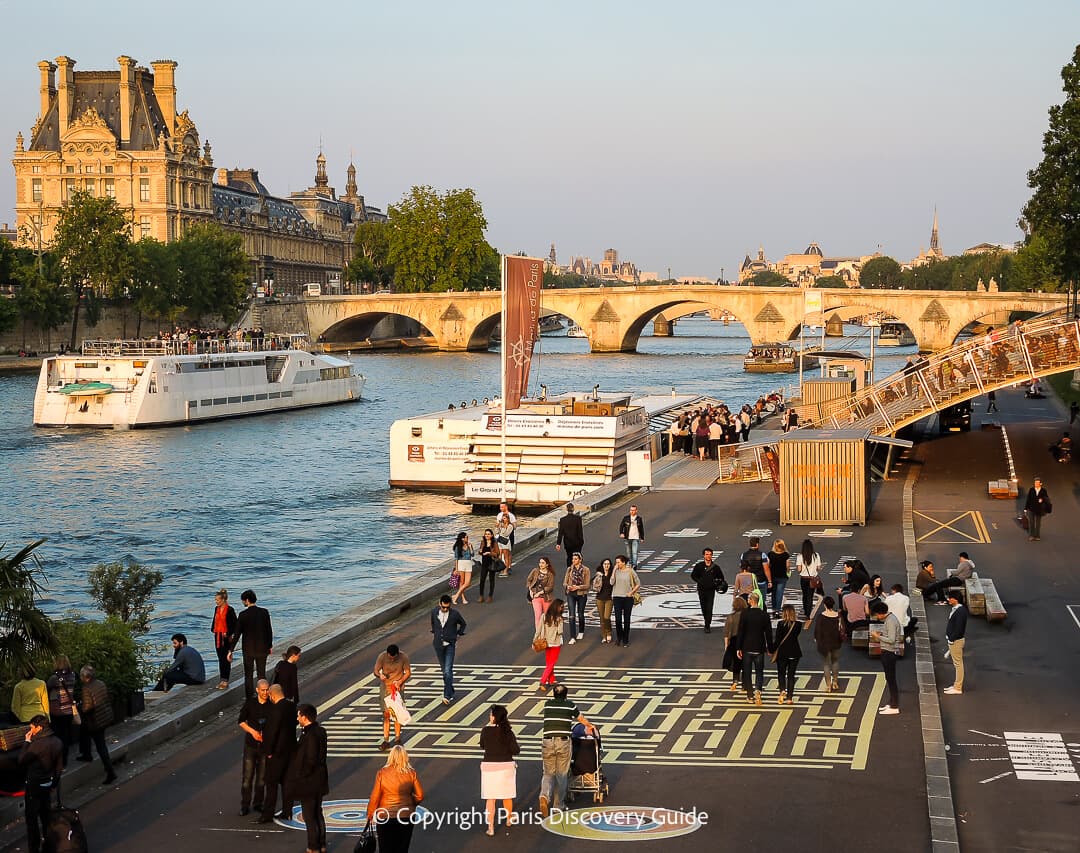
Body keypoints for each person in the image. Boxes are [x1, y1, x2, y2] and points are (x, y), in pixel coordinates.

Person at [539, 684, 595, 818]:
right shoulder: (570, 705)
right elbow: (580, 719)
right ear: (566, 695)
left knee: (548, 773)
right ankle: (558, 805)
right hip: (563, 742)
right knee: (561, 774)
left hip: (547, 741)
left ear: (553, 694)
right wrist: (590, 725)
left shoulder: (547, 704)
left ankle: (544, 796)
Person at [367, 744, 423, 853]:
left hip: (385, 815)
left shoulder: (382, 773)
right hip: (406, 815)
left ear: (390, 757)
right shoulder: (411, 773)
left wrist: (370, 813)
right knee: (402, 848)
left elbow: (375, 796)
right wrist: (411, 803)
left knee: (385, 848)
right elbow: (420, 795)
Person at [289, 703, 329, 853]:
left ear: (304, 717)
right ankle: (322, 843)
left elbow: (311, 759)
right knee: (317, 813)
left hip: (310, 782)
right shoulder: (320, 731)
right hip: (319, 780)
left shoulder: (310, 735)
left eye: (299, 715)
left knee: (310, 816)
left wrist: (301, 775)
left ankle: (313, 846)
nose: (297, 718)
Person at [19, 714, 62, 853]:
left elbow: (21, 760)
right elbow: (59, 768)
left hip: (34, 785)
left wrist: (27, 741)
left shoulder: (36, 745)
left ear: (39, 727)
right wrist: (53, 784)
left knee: (32, 819)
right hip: (47, 784)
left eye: (32, 728)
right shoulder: (57, 741)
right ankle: (49, 845)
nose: (31, 731)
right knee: (46, 816)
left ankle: (34, 848)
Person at [256, 684, 297, 823]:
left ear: (272, 695)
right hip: (290, 750)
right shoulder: (292, 707)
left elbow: (272, 732)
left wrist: (268, 751)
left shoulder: (275, 710)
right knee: (287, 782)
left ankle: (267, 814)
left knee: (271, 782)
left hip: (277, 752)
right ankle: (287, 811)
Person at [480, 704, 520, 836]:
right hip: (506, 767)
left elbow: (482, 745)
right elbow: (516, 750)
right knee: (506, 796)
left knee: (490, 798)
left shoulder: (485, 730)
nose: (489, 716)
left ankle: (490, 827)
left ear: (494, 717)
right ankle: (509, 819)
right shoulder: (508, 732)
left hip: (488, 768)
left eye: (491, 714)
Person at [76, 665, 116, 784]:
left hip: (95, 720)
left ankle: (110, 772)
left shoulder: (86, 689)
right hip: (104, 716)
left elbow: (87, 707)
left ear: (85, 677)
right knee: (85, 733)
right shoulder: (100, 683)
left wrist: (80, 707)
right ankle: (86, 754)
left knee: (100, 746)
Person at [230, 589, 273, 699]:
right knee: (261, 674)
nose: (243, 603)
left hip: (248, 650)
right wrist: (269, 645)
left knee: (248, 675)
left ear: (247, 600)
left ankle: (249, 697)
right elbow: (269, 630)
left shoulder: (243, 615)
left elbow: (237, 634)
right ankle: (263, 695)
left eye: (243, 601)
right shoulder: (264, 612)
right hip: (262, 649)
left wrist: (230, 650)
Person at [237, 679, 271, 816]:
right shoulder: (250, 704)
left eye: (267, 690)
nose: (265, 692)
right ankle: (245, 805)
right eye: (262, 690)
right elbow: (241, 721)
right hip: (251, 745)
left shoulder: (271, 705)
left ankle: (258, 803)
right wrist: (252, 731)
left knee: (262, 778)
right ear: (257, 690)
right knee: (247, 777)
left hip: (265, 746)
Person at [737, 590, 772, 705]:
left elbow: (740, 632)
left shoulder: (745, 614)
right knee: (759, 672)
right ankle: (758, 690)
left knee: (747, 672)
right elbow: (768, 633)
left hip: (747, 647)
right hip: (759, 647)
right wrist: (770, 648)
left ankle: (750, 695)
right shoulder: (764, 615)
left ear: (751, 601)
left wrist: (738, 648)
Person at [430, 594, 466, 705]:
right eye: (443, 607)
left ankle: (447, 695)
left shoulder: (455, 614)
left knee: (447, 670)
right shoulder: (434, 612)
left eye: (447, 607)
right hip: (438, 645)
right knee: (444, 671)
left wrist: (458, 634)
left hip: (450, 644)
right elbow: (433, 624)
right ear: (439, 603)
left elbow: (463, 624)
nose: (445, 609)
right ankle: (451, 689)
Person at [374, 644, 412, 750]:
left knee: (397, 714)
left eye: (394, 658)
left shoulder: (403, 657)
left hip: (397, 689)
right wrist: (379, 675)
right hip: (385, 688)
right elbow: (376, 670)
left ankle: (397, 738)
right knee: (386, 715)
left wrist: (400, 681)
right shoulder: (382, 657)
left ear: (398, 654)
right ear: (387, 654)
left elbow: (408, 672)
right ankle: (386, 740)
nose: (392, 659)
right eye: (390, 657)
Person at [870, 600, 902, 715]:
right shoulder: (889, 619)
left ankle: (894, 706)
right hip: (887, 652)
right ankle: (891, 702)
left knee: (891, 679)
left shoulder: (891, 621)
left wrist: (878, 637)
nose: (877, 617)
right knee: (889, 679)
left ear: (881, 613)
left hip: (889, 652)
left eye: (877, 614)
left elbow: (892, 640)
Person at [773, 605, 810, 704]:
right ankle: (789, 697)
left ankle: (782, 690)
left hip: (782, 652)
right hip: (795, 652)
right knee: (791, 675)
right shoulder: (798, 625)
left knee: (781, 673)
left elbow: (777, 640)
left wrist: (771, 650)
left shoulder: (781, 624)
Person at [45, 655, 76, 766]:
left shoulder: (54, 678)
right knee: (65, 737)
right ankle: (64, 762)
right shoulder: (73, 675)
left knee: (57, 737)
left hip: (57, 712)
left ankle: (57, 762)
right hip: (69, 711)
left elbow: (46, 689)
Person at [690, 548, 727, 633]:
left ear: (712, 555)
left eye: (710, 554)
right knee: (704, 608)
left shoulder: (716, 568)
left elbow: (721, 578)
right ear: (704, 555)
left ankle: (707, 625)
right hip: (701, 590)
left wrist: (716, 584)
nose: (708, 556)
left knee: (709, 608)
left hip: (711, 591)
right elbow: (693, 575)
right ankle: (706, 621)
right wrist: (699, 581)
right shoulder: (699, 566)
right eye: (707, 554)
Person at [813, 596, 843, 692]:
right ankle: (835, 682)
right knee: (835, 661)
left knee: (826, 664)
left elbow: (817, 631)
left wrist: (817, 640)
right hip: (836, 641)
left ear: (824, 604)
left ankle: (828, 685)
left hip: (825, 643)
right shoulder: (837, 615)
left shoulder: (821, 616)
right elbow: (842, 628)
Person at [211, 588, 238, 690]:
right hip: (217, 636)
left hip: (226, 638)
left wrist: (229, 633)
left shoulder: (230, 610)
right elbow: (215, 620)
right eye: (216, 600)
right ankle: (222, 679)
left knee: (226, 659)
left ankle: (225, 680)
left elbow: (235, 624)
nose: (216, 601)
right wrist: (214, 629)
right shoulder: (216, 609)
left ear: (223, 600)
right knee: (220, 658)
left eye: (217, 600)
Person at [611, 555, 641, 647]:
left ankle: (625, 639)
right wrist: (613, 571)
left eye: (618, 562)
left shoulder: (630, 571)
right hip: (617, 597)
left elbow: (638, 584)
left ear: (624, 562)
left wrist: (631, 592)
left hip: (628, 598)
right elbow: (611, 582)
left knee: (627, 619)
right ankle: (619, 637)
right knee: (618, 619)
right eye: (616, 562)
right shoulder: (616, 571)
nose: (617, 564)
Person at [944, 589, 968, 696]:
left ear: (955, 599)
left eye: (950, 598)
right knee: (957, 663)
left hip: (956, 641)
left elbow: (959, 628)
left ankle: (958, 687)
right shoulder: (957, 609)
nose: (948, 600)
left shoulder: (960, 611)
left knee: (958, 664)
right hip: (955, 640)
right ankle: (956, 685)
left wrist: (951, 639)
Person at [562, 554, 591, 644]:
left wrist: (578, 587)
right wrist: (568, 586)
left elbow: (587, 585)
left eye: (575, 559)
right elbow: (564, 582)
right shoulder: (569, 569)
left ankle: (581, 631)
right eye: (572, 559)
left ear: (580, 560)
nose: (573, 561)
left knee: (580, 614)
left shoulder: (586, 570)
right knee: (571, 615)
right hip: (571, 594)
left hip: (581, 594)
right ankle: (572, 637)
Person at [723, 597, 748, 691]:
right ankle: (745, 684)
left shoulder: (731, 617)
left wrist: (726, 644)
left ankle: (735, 681)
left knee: (736, 662)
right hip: (745, 641)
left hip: (733, 641)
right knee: (745, 663)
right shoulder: (746, 615)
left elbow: (726, 632)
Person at [795, 539, 823, 618]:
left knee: (804, 594)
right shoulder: (816, 555)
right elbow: (818, 568)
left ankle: (805, 609)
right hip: (812, 578)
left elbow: (799, 569)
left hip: (803, 578)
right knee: (810, 595)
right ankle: (808, 612)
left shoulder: (800, 556)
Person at [741, 537, 770, 613]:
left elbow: (742, 569)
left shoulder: (743, 555)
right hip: (761, 581)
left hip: (748, 582)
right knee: (761, 600)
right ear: (757, 544)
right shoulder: (762, 555)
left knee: (749, 600)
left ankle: (750, 615)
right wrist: (770, 581)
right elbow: (766, 569)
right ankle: (761, 614)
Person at [526, 557, 555, 627]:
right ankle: (538, 635)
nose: (540, 564)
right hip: (535, 597)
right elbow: (529, 580)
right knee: (538, 615)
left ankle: (547, 633)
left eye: (543, 563)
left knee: (547, 616)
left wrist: (540, 592)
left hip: (546, 597)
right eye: (540, 563)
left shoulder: (550, 574)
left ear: (547, 564)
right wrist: (530, 590)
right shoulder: (535, 571)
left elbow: (550, 587)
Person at [592, 558, 615, 644]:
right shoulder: (599, 574)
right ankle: (604, 635)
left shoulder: (612, 574)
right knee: (602, 618)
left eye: (608, 564)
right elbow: (594, 586)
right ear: (602, 565)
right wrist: (598, 578)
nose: (606, 565)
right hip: (599, 598)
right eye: (605, 564)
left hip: (609, 599)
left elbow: (613, 583)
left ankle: (609, 632)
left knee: (606, 617)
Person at [555, 503, 585, 567]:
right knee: (577, 557)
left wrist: (558, 543)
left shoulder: (563, 520)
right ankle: (577, 569)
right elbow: (580, 531)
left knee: (569, 557)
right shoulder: (578, 519)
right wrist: (581, 541)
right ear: (573, 509)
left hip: (567, 543)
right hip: (577, 542)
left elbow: (560, 532)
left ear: (566, 509)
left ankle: (569, 570)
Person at [766, 539, 791, 616]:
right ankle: (777, 610)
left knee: (773, 593)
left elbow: (767, 565)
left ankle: (773, 609)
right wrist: (788, 572)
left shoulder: (770, 554)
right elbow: (788, 566)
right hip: (782, 576)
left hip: (773, 576)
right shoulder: (786, 555)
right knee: (779, 593)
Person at [477, 529, 501, 603]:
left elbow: (497, 553)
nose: (487, 535)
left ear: (491, 535)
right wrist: (480, 552)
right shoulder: (483, 542)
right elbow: (480, 551)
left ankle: (490, 596)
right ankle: (481, 596)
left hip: (492, 563)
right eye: (486, 534)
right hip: (484, 563)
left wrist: (489, 553)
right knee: (482, 580)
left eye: (488, 534)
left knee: (491, 580)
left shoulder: (494, 543)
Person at [451, 531, 474, 605]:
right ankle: (463, 598)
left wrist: (470, 547)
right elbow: (456, 559)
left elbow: (472, 554)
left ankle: (456, 596)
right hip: (461, 564)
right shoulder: (458, 547)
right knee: (462, 582)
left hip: (468, 564)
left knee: (467, 583)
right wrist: (456, 569)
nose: (467, 538)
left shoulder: (469, 545)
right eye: (466, 537)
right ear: (462, 539)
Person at [496, 504, 517, 577]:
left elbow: (506, 534)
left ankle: (506, 570)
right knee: (500, 555)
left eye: (504, 518)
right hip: (500, 541)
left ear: (507, 519)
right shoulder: (501, 524)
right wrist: (498, 527)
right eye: (502, 518)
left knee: (506, 556)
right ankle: (502, 569)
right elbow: (497, 532)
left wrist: (503, 527)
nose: (503, 520)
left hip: (505, 541)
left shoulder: (510, 526)